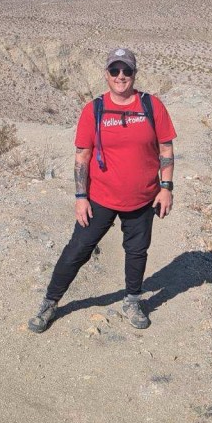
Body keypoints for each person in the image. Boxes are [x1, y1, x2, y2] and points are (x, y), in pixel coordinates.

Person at [29, 47, 177, 333]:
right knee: (77, 250)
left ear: (135, 73)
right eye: (115, 71)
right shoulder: (94, 109)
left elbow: (166, 148)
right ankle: (50, 302)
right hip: (100, 198)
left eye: (127, 71)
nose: (121, 76)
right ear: (106, 75)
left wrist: (166, 187)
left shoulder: (152, 106)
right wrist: (81, 197)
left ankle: (132, 300)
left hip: (142, 197)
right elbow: (82, 156)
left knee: (136, 252)